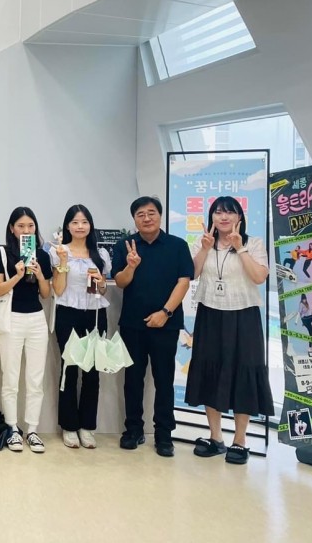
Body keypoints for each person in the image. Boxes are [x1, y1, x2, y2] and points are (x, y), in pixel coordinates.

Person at [185, 196, 273, 466]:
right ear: (211, 217)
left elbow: (259, 277)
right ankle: (215, 437)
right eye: (218, 212)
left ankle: (240, 440)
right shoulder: (203, 242)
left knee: (243, 372)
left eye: (229, 212)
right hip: (210, 314)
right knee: (209, 370)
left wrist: (240, 248)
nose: (223, 217)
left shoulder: (253, 243)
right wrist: (204, 249)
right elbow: (192, 274)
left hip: (244, 316)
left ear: (239, 217)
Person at [112, 196, 192, 458]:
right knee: (133, 380)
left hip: (166, 324)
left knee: (164, 380)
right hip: (132, 323)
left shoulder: (177, 245)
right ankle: (133, 429)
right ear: (134, 219)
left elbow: (184, 282)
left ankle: (164, 434)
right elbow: (120, 282)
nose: (146, 218)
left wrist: (165, 312)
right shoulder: (124, 246)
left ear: (160, 215)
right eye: (140, 215)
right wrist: (131, 266)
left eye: (151, 213)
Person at [0, 206, 52, 454]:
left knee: (35, 379)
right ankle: (12, 429)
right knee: (11, 377)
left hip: (37, 319)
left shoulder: (43, 256)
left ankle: (33, 430)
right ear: (12, 228)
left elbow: (46, 294)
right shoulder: (2, 254)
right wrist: (17, 276)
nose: (26, 230)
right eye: (21, 226)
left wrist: (39, 275)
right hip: (11, 319)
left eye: (30, 226)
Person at [50, 204, 110, 450]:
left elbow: (103, 290)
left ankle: (87, 426)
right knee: (70, 370)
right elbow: (58, 289)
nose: (80, 226)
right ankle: (69, 425)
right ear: (67, 226)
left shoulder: (100, 254)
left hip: (95, 314)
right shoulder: (59, 251)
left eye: (84, 222)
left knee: (92, 372)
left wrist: (101, 282)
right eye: (75, 222)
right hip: (68, 313)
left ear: (90, 225)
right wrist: (63, 262)